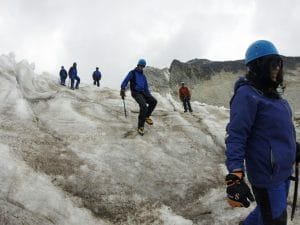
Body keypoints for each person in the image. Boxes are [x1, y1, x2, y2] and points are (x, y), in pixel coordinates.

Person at [225, 40, 298, 225]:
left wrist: (294, 148)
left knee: (265, 212)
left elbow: (279, 130)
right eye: (272, 64)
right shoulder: (247, 95)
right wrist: (235, 175)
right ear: (257, 66)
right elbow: (236, 135)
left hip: (283, 171)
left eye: (279, 63)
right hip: (267, 176)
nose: (277, 69)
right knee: (275, 219)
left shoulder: (273, 95)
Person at [120, 59, 157, 136]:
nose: (141, 67)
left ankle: (146, 116)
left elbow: (146, 87)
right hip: (135, 92)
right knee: (143, 106)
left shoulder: (143, 76)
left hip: (143, 92)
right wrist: (122, 89)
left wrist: (149, 95)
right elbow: (126, 80)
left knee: (153, 101)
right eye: (140, 66)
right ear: (138, 65)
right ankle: (141, 126)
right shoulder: (132, 73)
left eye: (142, 66)